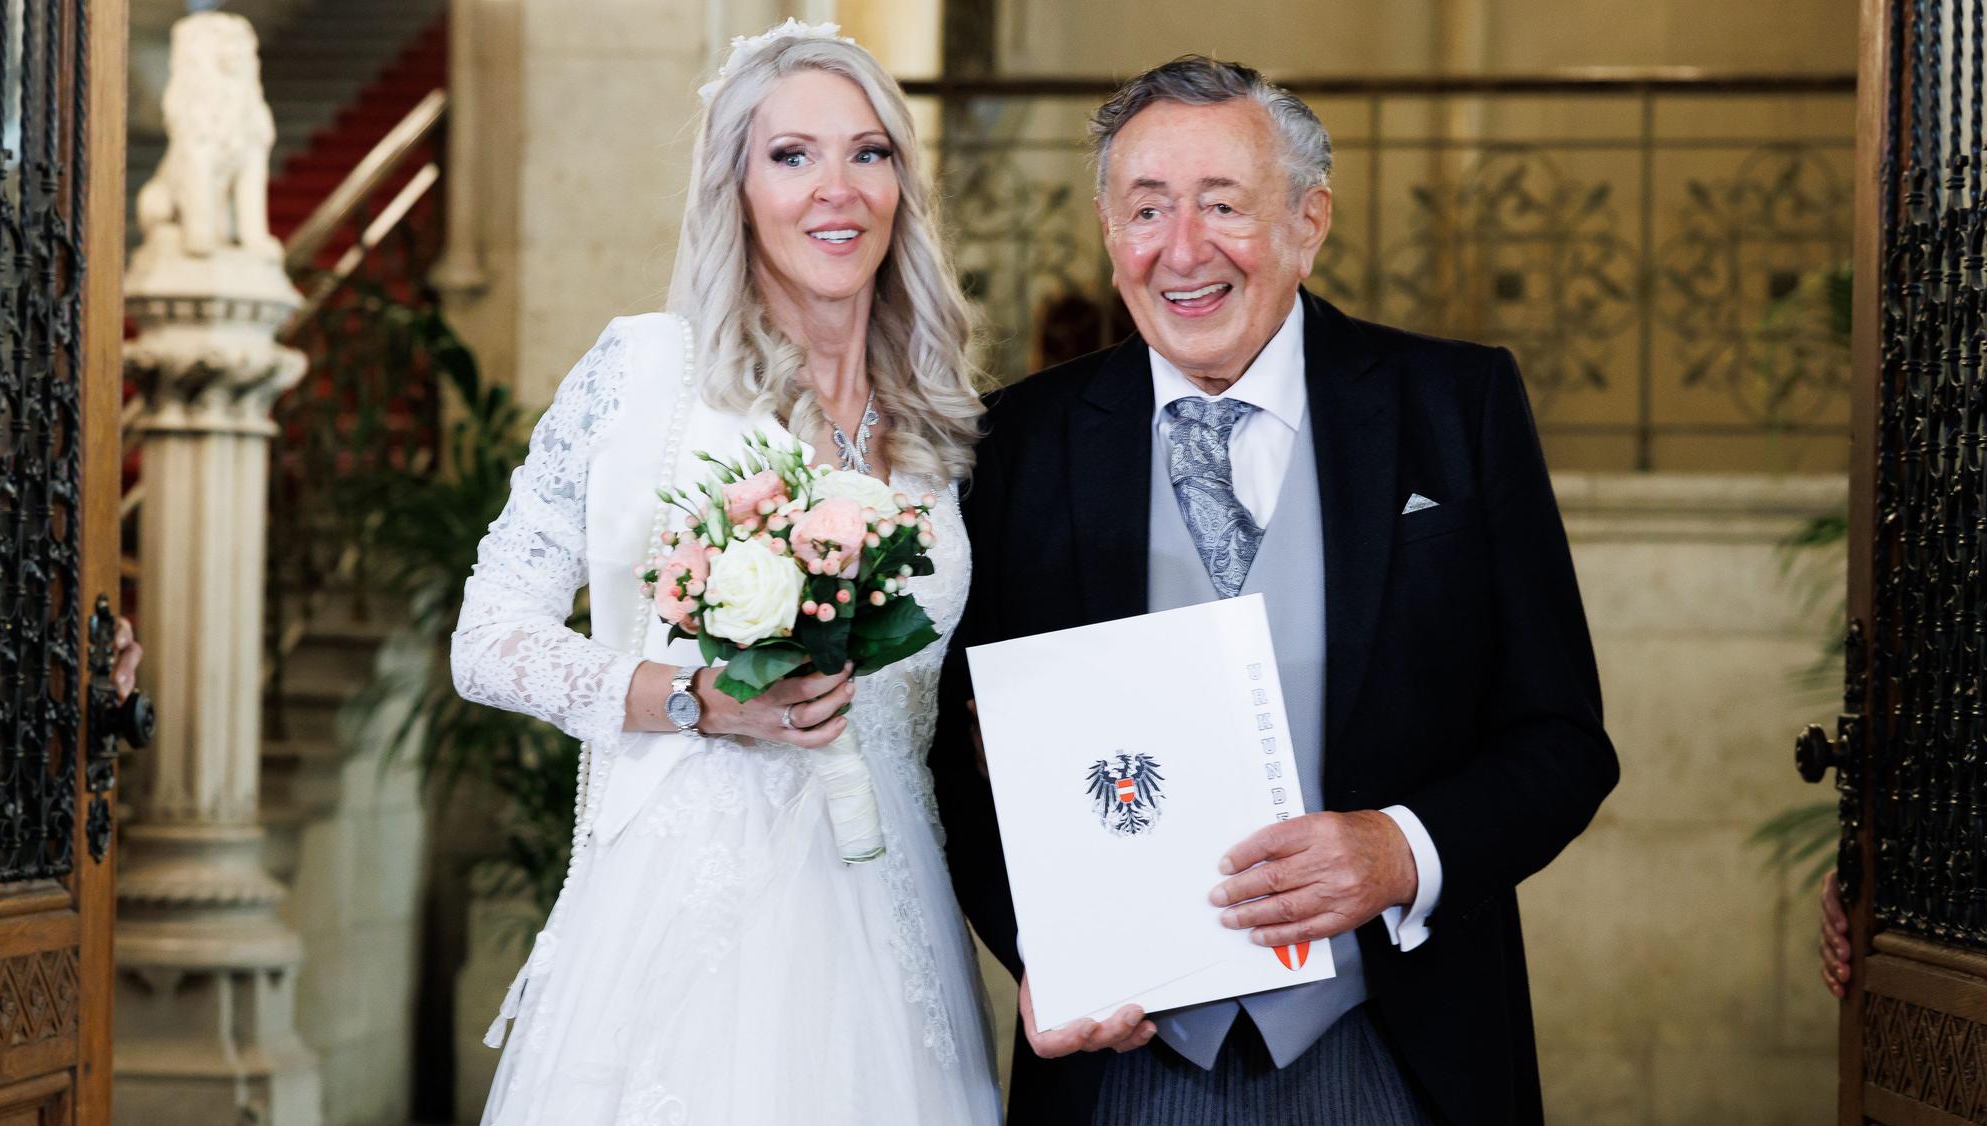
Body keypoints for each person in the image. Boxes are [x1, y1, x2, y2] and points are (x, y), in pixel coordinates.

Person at [932, 55, 1620, 1125]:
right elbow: (950, 753)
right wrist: (1043, 945)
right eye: (1146, 209)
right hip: (1125, 1067)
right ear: (1109, 232)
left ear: (1309, 222)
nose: (1181, 249)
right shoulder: (1015, 443)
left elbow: (1563, 740)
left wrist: (1402, 851)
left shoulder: (1455, 404)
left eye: (1222, 204)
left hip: (1394, 1049)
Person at [450, 21, 1000, 1124]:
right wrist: (695, 699)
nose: (837, 189)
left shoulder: (943, 425)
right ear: (735, 190)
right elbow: (487, 639)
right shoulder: (646, 376)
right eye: (791, 156)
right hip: (686, 926)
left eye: (869, 153)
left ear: (901, 183)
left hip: (894, 924)